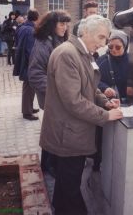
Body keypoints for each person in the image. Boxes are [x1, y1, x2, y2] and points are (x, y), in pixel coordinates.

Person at [40, 14, 123, 215]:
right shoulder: (68, 55)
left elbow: (90, 88)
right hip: (67, 136)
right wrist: (105, 116)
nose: (104, 45)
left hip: (71, 133)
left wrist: (105, 102)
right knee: (70, 189)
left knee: (65, 185)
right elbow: (73, 101)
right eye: (101, 38)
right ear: (85, 33)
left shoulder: (82, 54)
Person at [28, 10, 71, 175]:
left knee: (53, 130)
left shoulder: (58, 40)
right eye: (62, 24)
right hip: (50, 97)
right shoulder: (43, 43)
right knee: (53, 131)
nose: (65, 27)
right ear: (52, 25)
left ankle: (48, 164)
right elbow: (35, 74)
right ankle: (49, 165)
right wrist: (57, 89)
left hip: (56, 97)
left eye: (66, 24)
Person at [91, 29, 129, 172]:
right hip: (105, 102)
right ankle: (97, 161)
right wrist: (104, 87)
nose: (113, 50)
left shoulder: (132, 60)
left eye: (118, 47)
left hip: (125, 103)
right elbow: (93, 81)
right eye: (110, 46)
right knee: (101, 135)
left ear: (125, 47)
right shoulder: (102, 60)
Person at [13, 8, 40, 120]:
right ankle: (27, 112)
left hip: (23, 60)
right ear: (37, 18)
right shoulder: (30, 30)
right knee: (29, 87)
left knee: (30, 86)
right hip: (29, 62)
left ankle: (28, 107)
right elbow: (30, 50)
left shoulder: (22, 27)